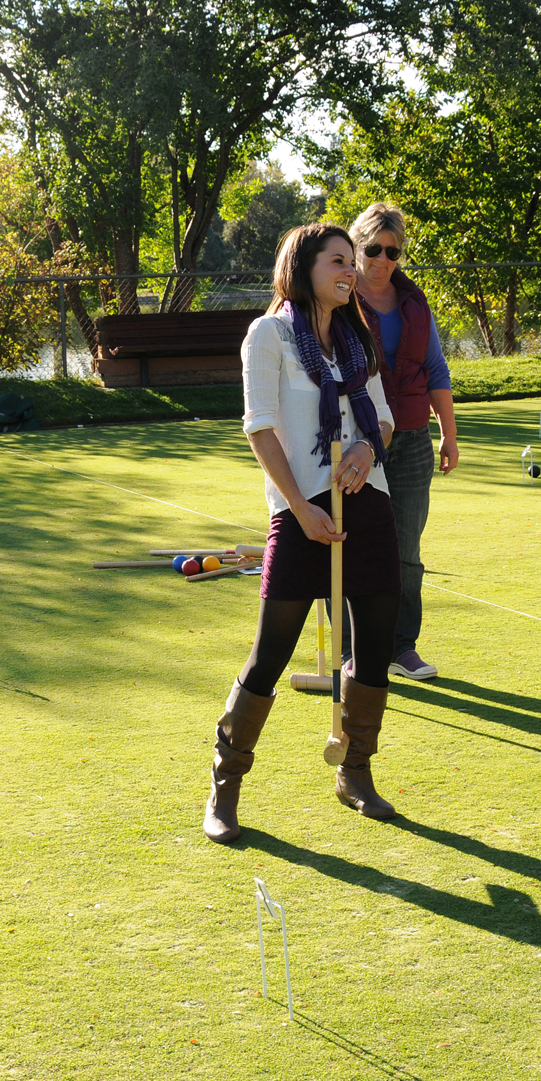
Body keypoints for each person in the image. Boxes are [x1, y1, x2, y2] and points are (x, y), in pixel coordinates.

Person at [203, 223, 400, 843]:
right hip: (301, 512)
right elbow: (259, 426)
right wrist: (299, 508)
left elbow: (384, 419)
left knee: (375, 646)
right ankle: (225, 787)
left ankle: (355, 772)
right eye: (337, 261)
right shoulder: (269, 334)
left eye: (351, 261)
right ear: (303, 267)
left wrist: (366, 448)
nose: (351, 270)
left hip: (368, 503)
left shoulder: (356, 336)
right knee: (271, 653)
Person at [349, 202, 459, 680]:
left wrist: (449, 434)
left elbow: (436, 369)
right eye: (373, 249)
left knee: (406, 551)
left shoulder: (414, 302)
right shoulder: (337, 299)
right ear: (357, 247)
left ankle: (401, 646)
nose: (382, 260)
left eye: (392, 252)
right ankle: (353, 650)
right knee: (352, 544)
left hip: (412, 437)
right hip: (356, 438)